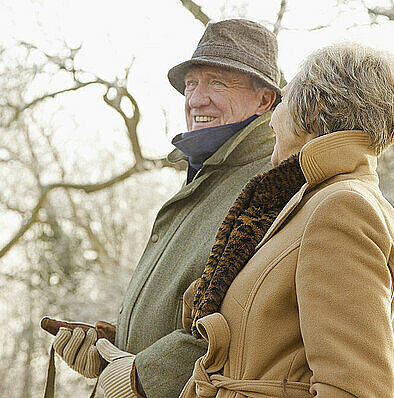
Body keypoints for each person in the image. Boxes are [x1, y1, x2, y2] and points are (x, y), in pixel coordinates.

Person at [50, 19, 281, 398]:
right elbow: (183, 313)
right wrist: (109, 349)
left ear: (264, 100)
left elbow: (243, 321)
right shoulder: (205, 175)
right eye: (192, 84)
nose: (196, 99)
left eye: (218, 82)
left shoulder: (265, 184)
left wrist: (143, 377)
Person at [179, 42, 394, 398]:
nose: (272, 118)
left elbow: (354, 388)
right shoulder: (305, 202)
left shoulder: (342, 208)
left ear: (313, 110)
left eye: (283, 101)